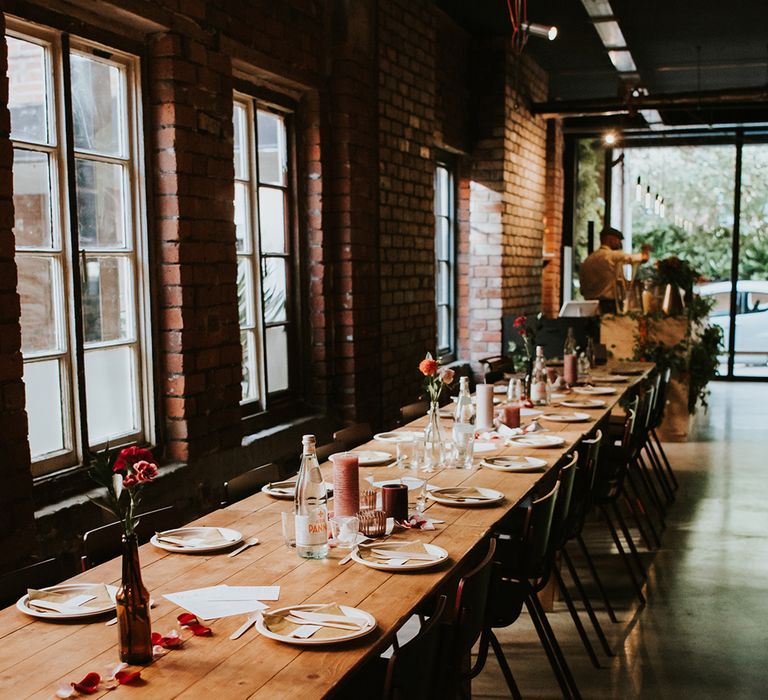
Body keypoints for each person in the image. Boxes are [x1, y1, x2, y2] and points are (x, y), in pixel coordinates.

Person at [579, 226, 650, 313]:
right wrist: (645, 252)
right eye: (618, 240)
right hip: (608, 305)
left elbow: (582, 289)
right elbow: (636, 258)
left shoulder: (588, 260)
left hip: (588, 306)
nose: (619, 244)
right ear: (610, 239)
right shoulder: (611, 255)